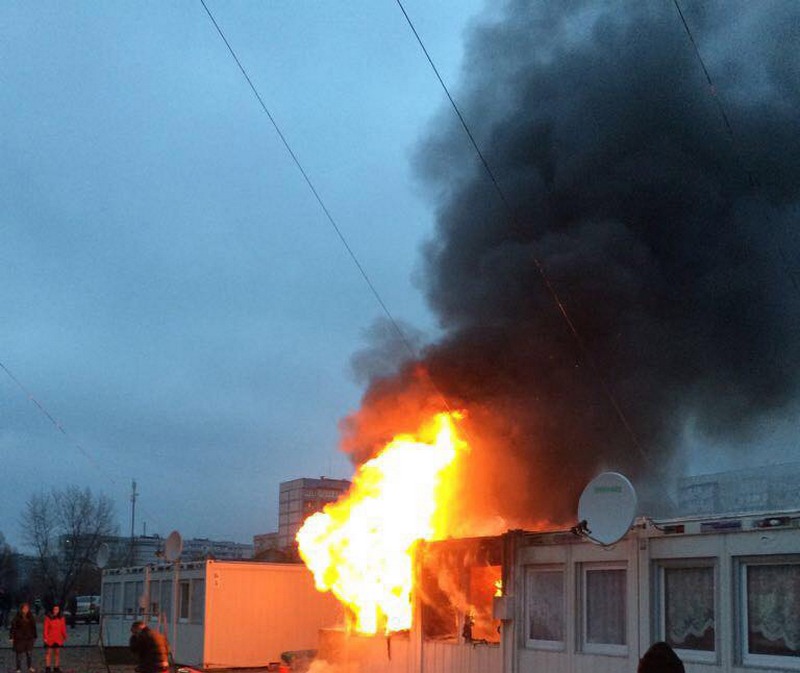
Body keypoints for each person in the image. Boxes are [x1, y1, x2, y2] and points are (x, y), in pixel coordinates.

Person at [9, 602, 38, 673]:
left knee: (29, 654)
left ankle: (30, 667)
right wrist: (11, 637)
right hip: (19, 638)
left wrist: (35, 636)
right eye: (24, 608)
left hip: (29, 638)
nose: (26, 610)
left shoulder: (31, 616)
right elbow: (13, 628)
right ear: (21, 609)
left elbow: (34, 627)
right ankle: (18, 668)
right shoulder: (17, 617)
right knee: (19, 655)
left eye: (27, 608)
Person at [43, 605, 67, 673]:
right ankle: (48, 668)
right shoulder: (48, 618)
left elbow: (63, 628)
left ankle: (56, 667)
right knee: (48, 653)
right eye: (55, 609)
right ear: (52, 610)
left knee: (57, 653)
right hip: (50, 637)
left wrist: (64, 636)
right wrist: (45, 637)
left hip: (58, 637)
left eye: (57, 609)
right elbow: (45, 628)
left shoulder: (61, 618)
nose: (56, 611)